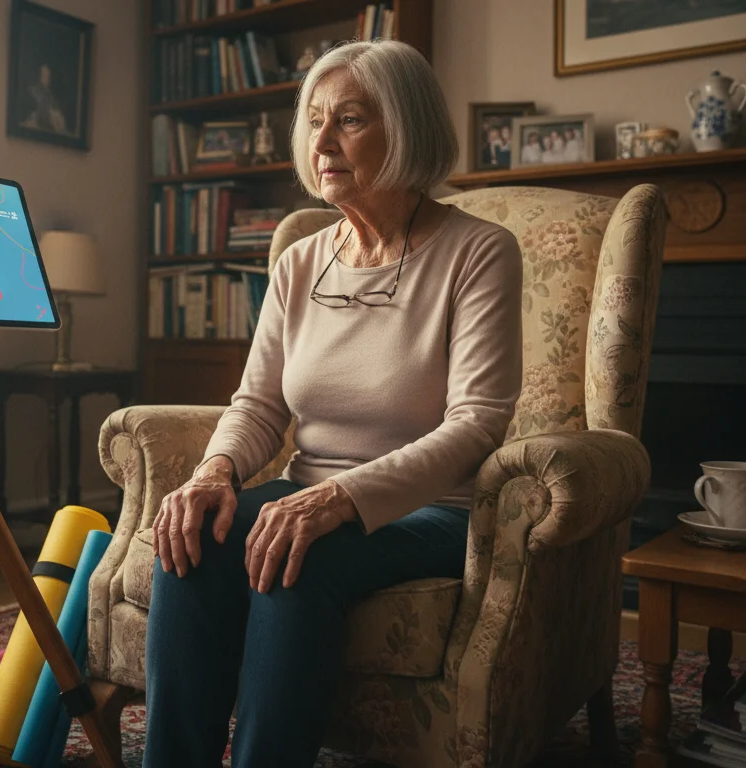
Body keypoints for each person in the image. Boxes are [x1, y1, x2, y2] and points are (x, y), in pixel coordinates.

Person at [142, 38, 523, 768]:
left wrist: (342, 499)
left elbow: (477, 422)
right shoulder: (299, 261)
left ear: (406, 127)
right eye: (314, 120)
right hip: (306, 493)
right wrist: (215, 473)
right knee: (189, 536)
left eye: (348, 120)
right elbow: (257, 405)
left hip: (435, 509)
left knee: (298, 555)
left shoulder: (478, 251)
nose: (321, 141)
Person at [21, 63, 67, 134]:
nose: (47, 79)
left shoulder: (49, 94)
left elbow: (55, 109)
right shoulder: (31, 91)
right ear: (39, 76)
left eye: (48, 76)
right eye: (44, 75)